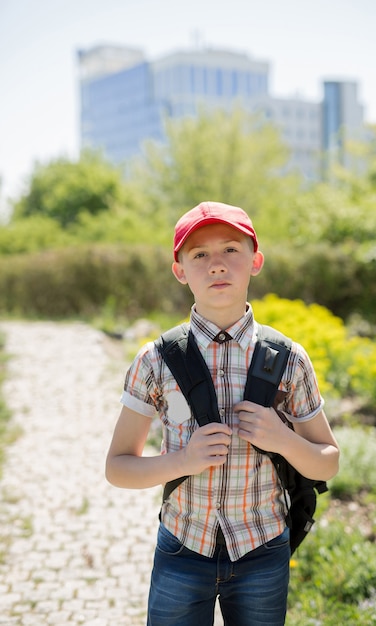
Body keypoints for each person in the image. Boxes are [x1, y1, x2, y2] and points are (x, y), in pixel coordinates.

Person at [105, 201, 340, 626]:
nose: (216, 265)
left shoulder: (288, 359)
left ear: (256, 261)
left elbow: (329, 459)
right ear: (180, 271)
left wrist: (283, 439)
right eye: (199, 255)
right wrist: (183, 460)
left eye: (231, 249)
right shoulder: (155, 361)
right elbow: (117, 468)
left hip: (263, 552)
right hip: (181, 549)